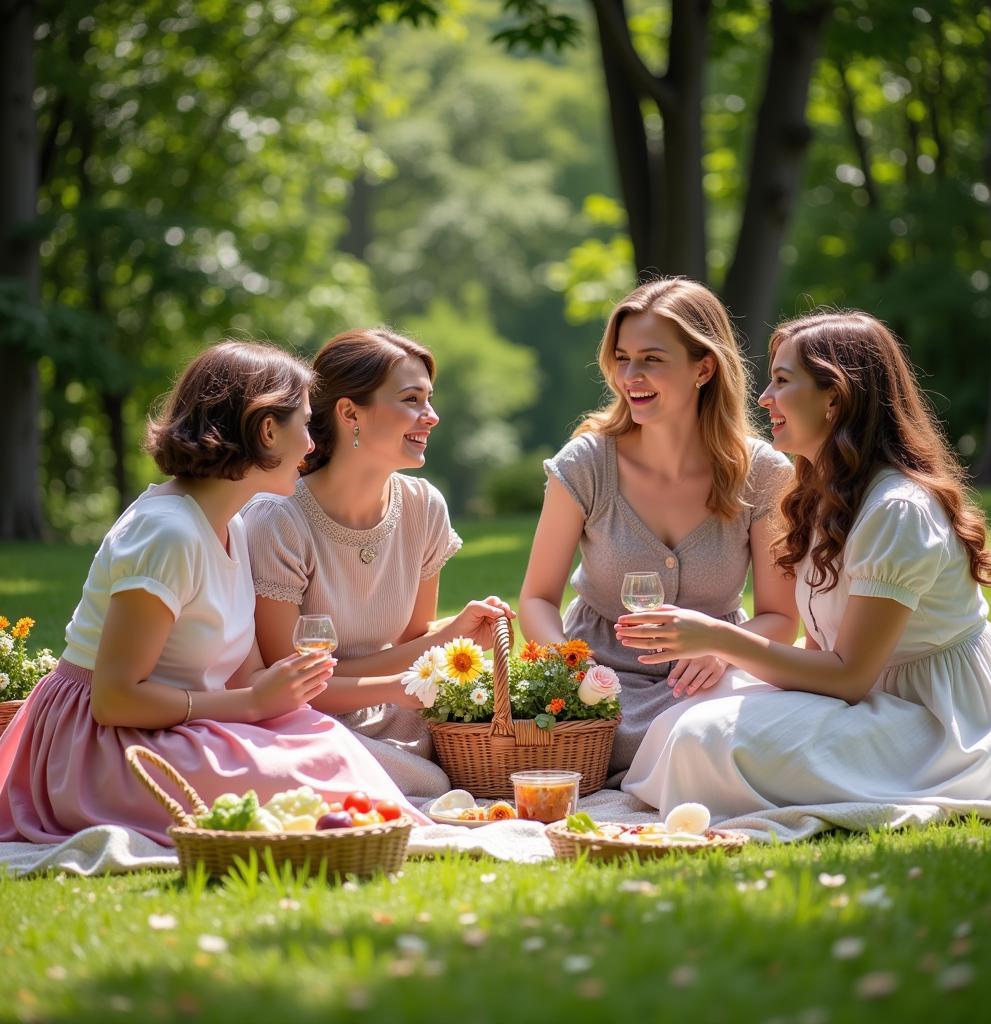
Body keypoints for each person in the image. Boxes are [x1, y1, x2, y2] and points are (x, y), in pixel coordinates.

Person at [0, 341, 428, 845]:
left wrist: (283, 691)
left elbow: (244, 676)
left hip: (173, 724)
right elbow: (114, 700)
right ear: (268, 430)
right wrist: (251, 705)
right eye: (304, 427)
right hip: (106, 747)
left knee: (328, 746)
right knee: (289, 784)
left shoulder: (233, 525)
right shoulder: (168, 534)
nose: (313, 445)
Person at [618, 311, 991, 818]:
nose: (764, 398)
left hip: (938, 720)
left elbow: (848, 675)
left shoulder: (896, 509)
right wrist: (732, 663)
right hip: (866, 696)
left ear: (835, 398)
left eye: (783, 382)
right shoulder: (822, 493)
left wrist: (718, 638)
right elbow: (820, 651)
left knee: (705, 739)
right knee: (689, 714)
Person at [518, 278, 799, 781]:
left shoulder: (762, 473)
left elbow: (780, 618)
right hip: (601, 683)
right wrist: (571, 669)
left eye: (651, 359)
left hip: (711, 679)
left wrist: (723, 648)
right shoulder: (586, 463)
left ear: (703, 368)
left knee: (740, 735)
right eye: (622, 358)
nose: (631, 375)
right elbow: (537, 599)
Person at [242, 328, 512, 799]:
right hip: (300, 719)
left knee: (479, 766)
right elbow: (289, 683)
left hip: (392, 711)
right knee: (431, 783)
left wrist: (457, 632)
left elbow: (411, 641)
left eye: (429, 400)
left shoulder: (424, 507)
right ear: (349, 413)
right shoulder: (279, 520)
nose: (431, 416)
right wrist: (394, 685)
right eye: (412, 400)